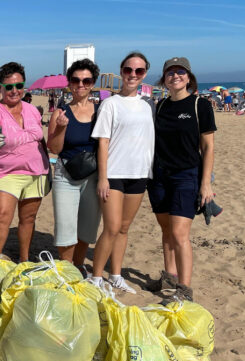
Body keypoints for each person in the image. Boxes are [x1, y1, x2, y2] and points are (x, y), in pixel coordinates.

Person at [146, 57, 217, 301]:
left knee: (179, 234)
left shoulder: (200, 105)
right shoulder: (161, 105)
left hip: (186, 175)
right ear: (164, 78)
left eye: (180, 72)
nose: (175, 76)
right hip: (159, 175)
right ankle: (169, 277)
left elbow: (208, 147)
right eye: (170, 72)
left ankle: (184, 290)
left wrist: (205, 183)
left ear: (188, 77)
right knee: (166, 230)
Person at [88, 52, 155, 293]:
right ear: (121, 72)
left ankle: (115, 274)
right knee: (112, 227)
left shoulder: (148, 105)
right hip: (114, 174)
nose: (133, 75)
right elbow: (103, 142)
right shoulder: (110, 104)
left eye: (138, 71)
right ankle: (96, 277)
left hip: (139, 174)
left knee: (125, 228)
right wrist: (103, 177)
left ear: (145, 74)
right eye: (128, 70)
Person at [0, 62, 48, 262]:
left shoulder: (33, 110)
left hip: (36, 172)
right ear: (0, 88)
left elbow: (41, 138)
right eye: (9, 87)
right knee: (2, 216)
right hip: (6, 173)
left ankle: (24, 260)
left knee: (28, 219)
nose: (14, 91)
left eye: (18, 86)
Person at [47, 58, 102, 277]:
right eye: (76, 80)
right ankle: (66, 268)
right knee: (65, 225)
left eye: (86, 80)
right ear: (69, 83)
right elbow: (55, 148)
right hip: (66, 173)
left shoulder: (101, 111)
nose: (81, 85)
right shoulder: (60, 113)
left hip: (93, 174)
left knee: (87, 225)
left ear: (93, 82)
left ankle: (78, 265)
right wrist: (60, 129)